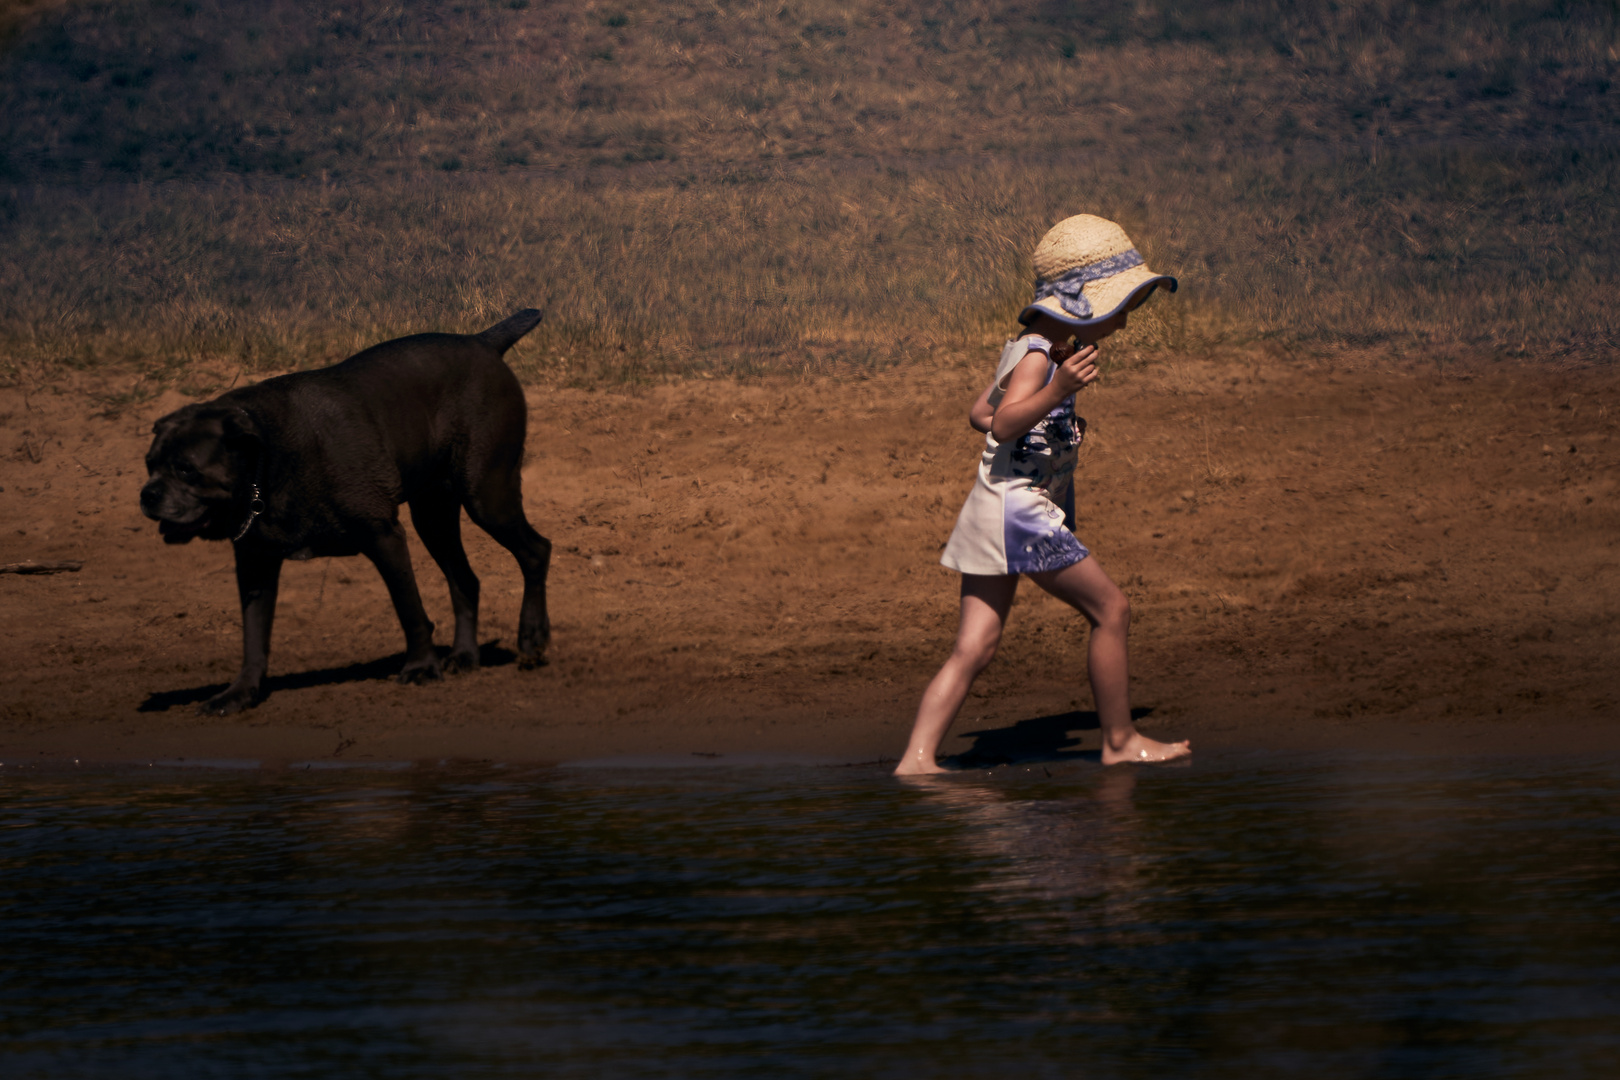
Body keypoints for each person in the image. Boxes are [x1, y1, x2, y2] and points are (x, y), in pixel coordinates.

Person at [894, 214, 1192, 775]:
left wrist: (1053, 431)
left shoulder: (1033, 347)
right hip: (1019, 514)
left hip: (992, 505)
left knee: (975, 646)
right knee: (1112, 610)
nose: (1126, 320)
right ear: (1081, 304)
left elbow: (981, 412)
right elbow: (1004, 424)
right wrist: (1058, 391)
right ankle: (1120, 740)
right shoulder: (1042, 357)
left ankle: (917, 760)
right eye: (1120, 306)